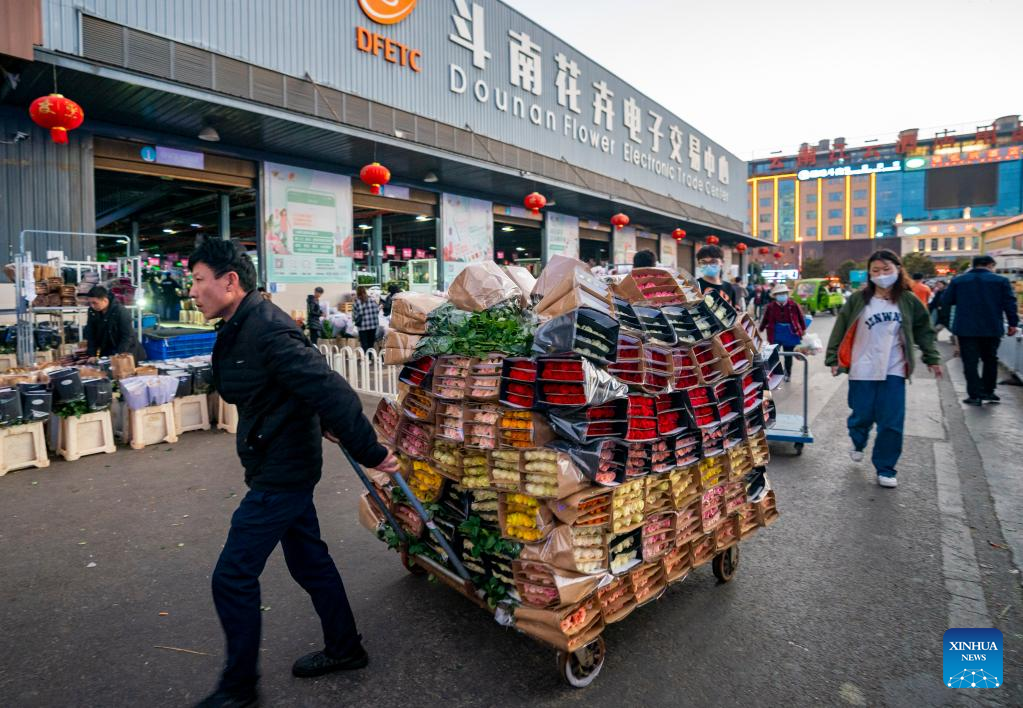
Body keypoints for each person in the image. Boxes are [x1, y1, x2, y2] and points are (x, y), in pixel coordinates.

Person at [187, 239, 399, 708]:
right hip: (275, 457)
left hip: (283, 470)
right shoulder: (238, 323)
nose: (194, 291)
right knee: (308, 560)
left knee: (233, 576)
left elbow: (331, 390)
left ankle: (239, 689)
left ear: (230, 281)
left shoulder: (266, 330)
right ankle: (345, 648)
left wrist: (372, 451)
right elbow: (283, 388)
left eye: (200, 280)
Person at [826, 249, 941, 489]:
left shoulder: (908, 300)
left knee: (891, 422)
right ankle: (858, 441)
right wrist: (833, 358)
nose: (881, 275)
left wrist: (932, 357)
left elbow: (924, 330)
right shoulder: (859, 299)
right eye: (876, 271)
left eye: (886, 269)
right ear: (869, 274)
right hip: (862, 368)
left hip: (894, 368)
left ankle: (886, 468)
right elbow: (841, 327)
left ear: (898, 270)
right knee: (862, 415)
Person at [939, 254, 1019, 405]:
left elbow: (946, 301)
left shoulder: (958, 281)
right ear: (990, 265)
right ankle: (988, 391)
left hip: (966, 328)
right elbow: (1010, 304)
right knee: (990, 359)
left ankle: (974, 395)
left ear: (973, 265)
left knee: (970, 361)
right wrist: (1013, 323)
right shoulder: (1001, 281)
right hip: (992, 327)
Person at [83, 286, 147, 362]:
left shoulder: (121, 311)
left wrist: (118, 356)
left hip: (127, 353)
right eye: (90, 303)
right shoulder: (92, 312)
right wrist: (92, 355)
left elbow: (127, 337)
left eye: (95, 303)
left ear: (105, 301)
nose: (92, 306)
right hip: (107, 352)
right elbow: (91, 334)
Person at [758, 283, 806, 382]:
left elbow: (800, 318)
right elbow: (766, 319)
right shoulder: (770, 306)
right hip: (776, 332)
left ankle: (788, 373)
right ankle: (774, 374)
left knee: (788, 355)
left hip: (790, 332)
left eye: (784, 293)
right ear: (775, 296)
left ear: (787, 294)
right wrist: (761, 328)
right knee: (773, 354)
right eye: (779, 294)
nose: (782, 295)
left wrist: (803, 329)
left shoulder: (793, 305)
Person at [352, 286, 380, 352]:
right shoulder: (372, 300)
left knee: (364, 344)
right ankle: (370, 357)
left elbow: (354, 316)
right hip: (373, 325)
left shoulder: (356, 302)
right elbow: (376, 311)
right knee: (371, 343)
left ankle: (366, 359)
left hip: (362, 327)